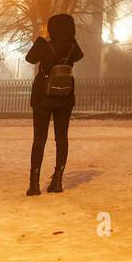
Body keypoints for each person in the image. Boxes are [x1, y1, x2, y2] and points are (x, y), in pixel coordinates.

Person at [25, 13, 83, 195]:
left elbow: (30, 58)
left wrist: (43, 36)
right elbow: (79, 56)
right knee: (62, 138)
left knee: (39, 139)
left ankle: (34, 184)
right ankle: (57, 180)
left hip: (43, 97)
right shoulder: (72, 46)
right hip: (65, 97)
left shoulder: (44, 44)